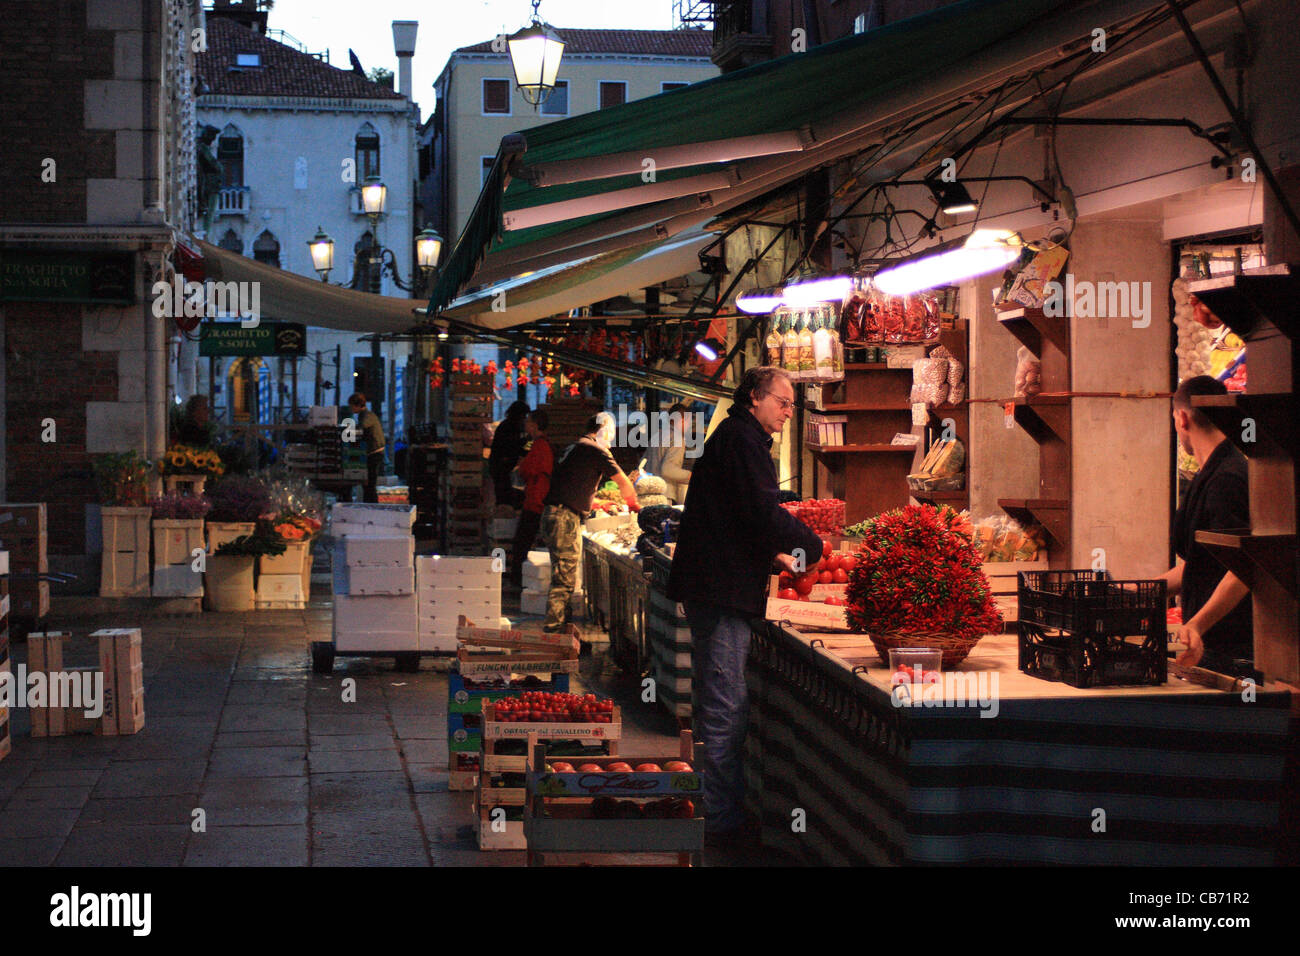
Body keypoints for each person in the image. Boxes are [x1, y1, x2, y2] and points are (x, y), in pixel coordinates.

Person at [667, 366, 823, 842]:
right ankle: (720, 820)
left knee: (720, 701)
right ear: (755, 397)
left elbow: (736, 518)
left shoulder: (740, 438)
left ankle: (719, 807)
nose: (787, 411)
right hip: (721, 592)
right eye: (782, 401)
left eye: (792, 404)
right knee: (725, 705)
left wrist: (769, 553)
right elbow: (760, 511)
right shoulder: (741, 441)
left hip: (717, 584)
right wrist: (810, 546)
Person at [1160, 375, 1253, 675]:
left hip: (1233, 652)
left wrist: (1196, 625)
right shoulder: (1209, 473)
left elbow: (1243, 568)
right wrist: (1147, 589)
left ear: (1183, 418)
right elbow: (1206, 562)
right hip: (1208, 645)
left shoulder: (1226, 479)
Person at [540, 412, 639, 632]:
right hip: (563, 519)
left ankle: (565, 637)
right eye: (611, 436)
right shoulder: (596, 450)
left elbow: (572, 487)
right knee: (564, 581)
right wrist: (635, 508)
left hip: (553, 515)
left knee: (562, 577)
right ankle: (554, 637)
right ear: (603, 429)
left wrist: (599, 504)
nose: (611, 443)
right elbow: (624, 483)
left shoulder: (576, 447)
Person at [510, 409, 553, 589]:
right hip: (537, 499)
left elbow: (527, 469)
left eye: (528, 421)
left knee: (522, 543)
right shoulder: (541, 445)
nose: (525, 424)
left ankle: (519, 582)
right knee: (525, 541)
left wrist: (521, 467)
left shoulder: (540, 446)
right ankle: (525, 580)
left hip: (536, 501)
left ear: (534, 425)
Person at [489, 400, 530, 510]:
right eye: (524, 415)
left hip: (499, 466)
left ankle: (502, 516)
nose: (525, 419)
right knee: (504, 496)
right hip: (501, 466)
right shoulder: (510, 427)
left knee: (503, 495)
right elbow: (512, 447)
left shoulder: (507, 425)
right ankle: (504, 517)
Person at [347, 392, 386, 504]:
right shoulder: (366, 415)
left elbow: (362, 427)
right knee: (368, 484)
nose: (351, 408)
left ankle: (372, 506)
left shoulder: (366, 415)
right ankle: (370, 505)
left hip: (374, 453)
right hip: (374, 452)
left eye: (351, 406)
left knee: (369, 484)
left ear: (358, 405)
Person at [657, 403, 696, 504]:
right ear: (683, 420)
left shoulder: (658, 434)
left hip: (648, 493)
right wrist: (694, 476)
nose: (689, 426)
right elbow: (668, 470)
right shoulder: (677, 438)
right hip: (664, 496)